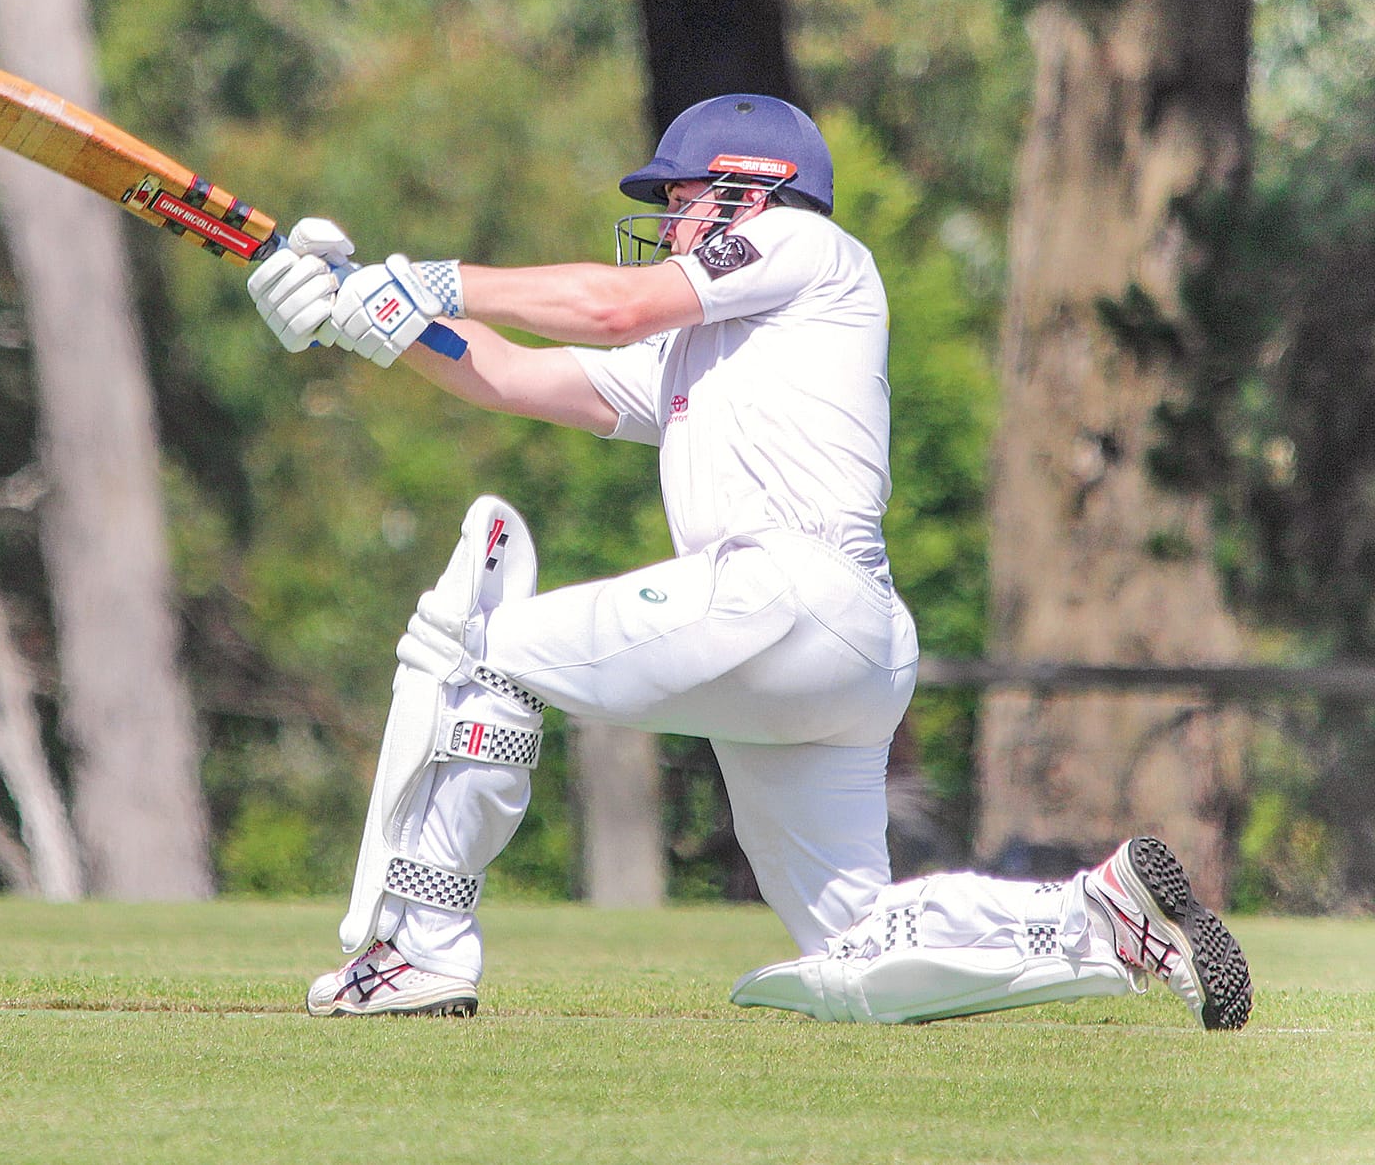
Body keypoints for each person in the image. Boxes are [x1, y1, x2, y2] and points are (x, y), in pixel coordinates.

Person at [246, 93, 1253, 1031]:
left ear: (742, 190)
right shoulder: (706, 352)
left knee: (489, 653)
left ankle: (416, 951)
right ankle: (1102, 915)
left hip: (782, 595)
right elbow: (509, 372)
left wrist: (433, 278)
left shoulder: (802, 242)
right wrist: (362, 310)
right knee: (856, 941)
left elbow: (606, 307)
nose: (668, 223)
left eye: (679, 202)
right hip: (837, 647)